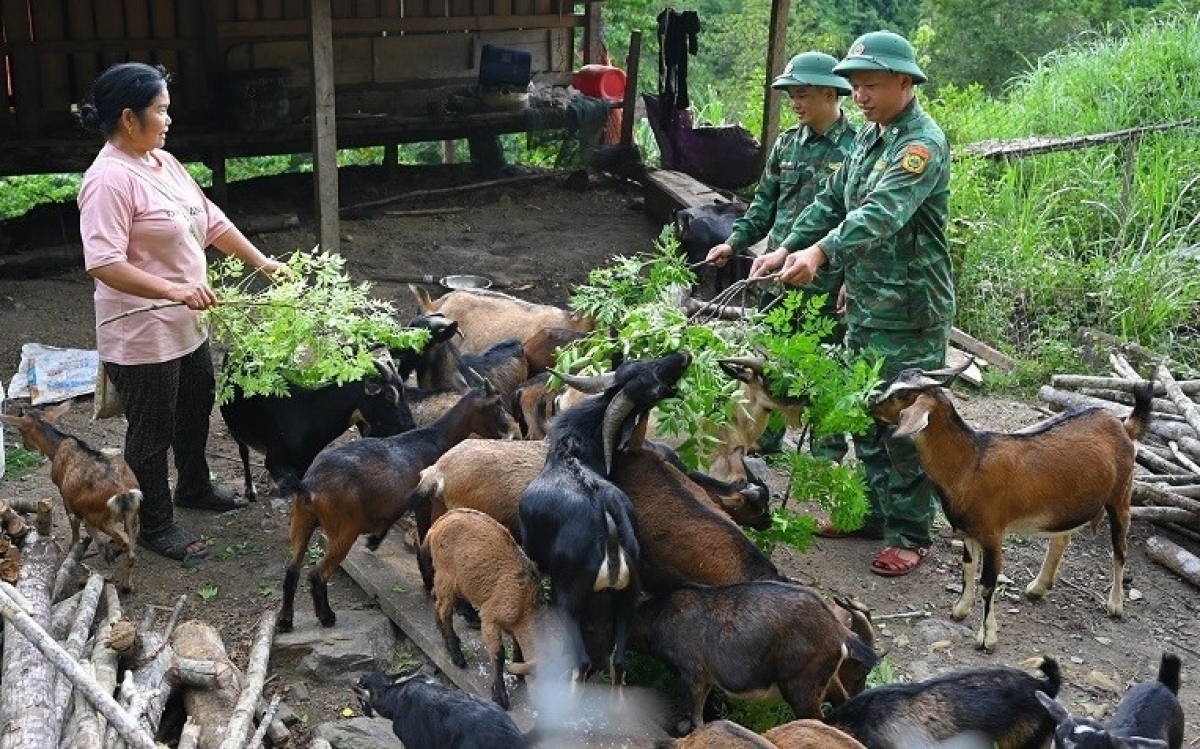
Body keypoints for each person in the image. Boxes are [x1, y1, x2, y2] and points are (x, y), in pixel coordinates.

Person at [748, 31, 955, 577]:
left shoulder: (920, 145)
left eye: (871, 85)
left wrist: (820, 252)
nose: (859, 95)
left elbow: (880, 215)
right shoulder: (870, 139)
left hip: (909, 310)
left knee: (906, 425)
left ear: (906, 82)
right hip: (864, 303)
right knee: (864, 414)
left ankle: (911, 535)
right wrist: (788, 245)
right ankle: (871, 514)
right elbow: (830, 201)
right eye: (855, 85)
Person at [78, 62, 285, 563]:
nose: (169, 120)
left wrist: (262, 263)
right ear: (130, 119)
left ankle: (194, 486)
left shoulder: (162, 163)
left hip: (186, 323)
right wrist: (175, 290)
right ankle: (154, 524)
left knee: (196, 405)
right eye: (161, 110)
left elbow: (210, 219)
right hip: (141, 331)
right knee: (152, 430)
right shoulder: (107, 180)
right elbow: (104, 263)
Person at [707, 51, 856, 458]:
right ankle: (767, 440)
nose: (795, 102)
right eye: (791, 94)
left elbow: (858, 220)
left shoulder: (857, 150)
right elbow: (762, 207)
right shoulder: (786, 145)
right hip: (777, 273)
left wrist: (847, 279)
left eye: (803, 94)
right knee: (767, 360)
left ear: (831, 93)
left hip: (826, 276)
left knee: (822, 364)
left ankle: (826, 452)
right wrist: (734, 243)